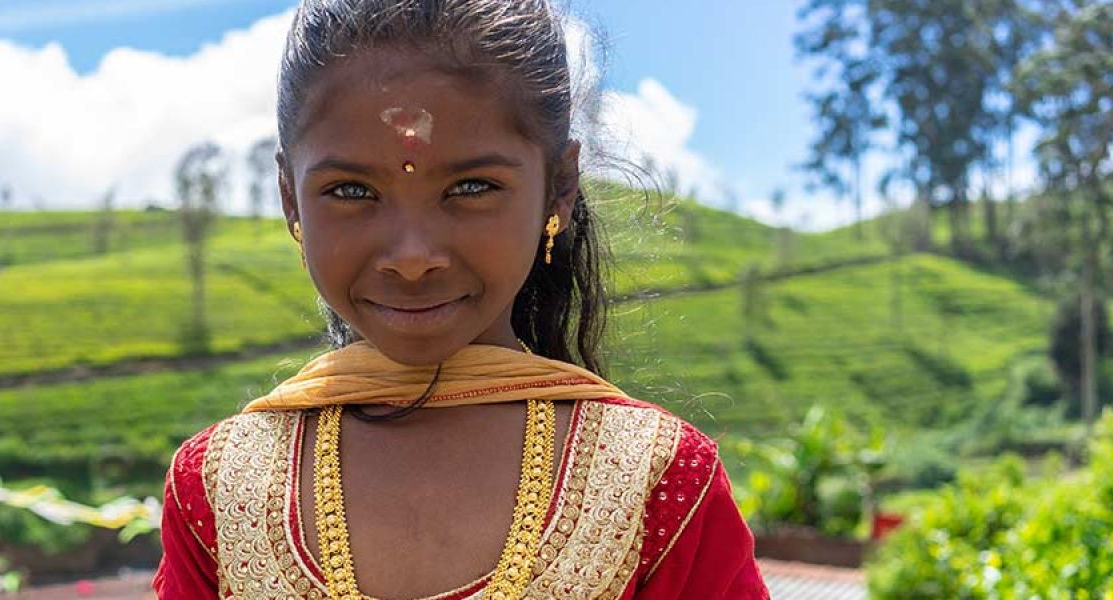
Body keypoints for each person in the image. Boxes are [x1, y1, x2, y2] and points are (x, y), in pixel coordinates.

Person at [154, 1, 768, 597]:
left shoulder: (654, 480)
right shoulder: (218, 486)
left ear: (558, 189)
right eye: (350, 190)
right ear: (291, 199)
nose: (413, 255)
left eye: (472, 187)